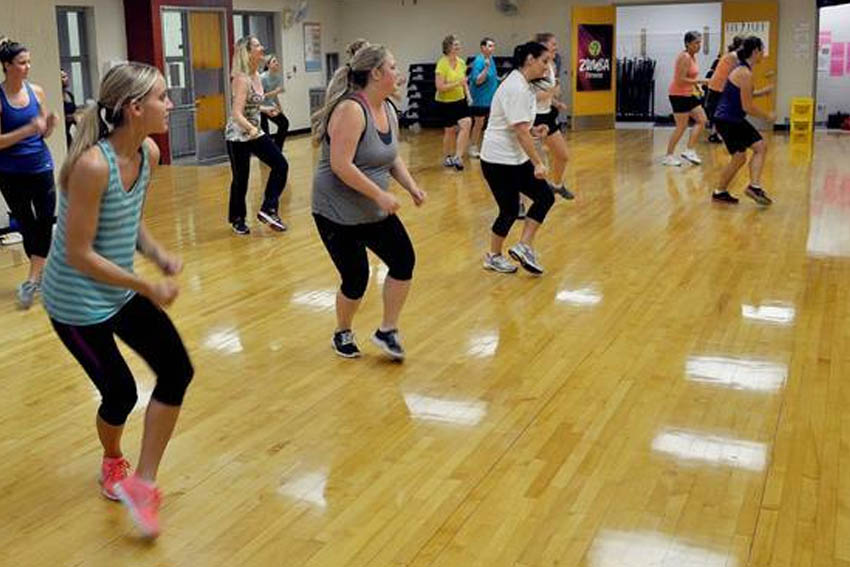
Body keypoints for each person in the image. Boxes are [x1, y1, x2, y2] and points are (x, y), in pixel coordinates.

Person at [40, 62, 194, 539]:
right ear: (134, 107)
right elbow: (79, 253)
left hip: (117, 289)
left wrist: (156, 253)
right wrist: (147, 286)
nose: (169, 105)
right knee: (121, 393)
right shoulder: (92, 166)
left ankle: (143, 484)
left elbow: (129, 220)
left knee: (176, 370)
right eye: (162, 97)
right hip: (75, 305)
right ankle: (112, 460)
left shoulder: (148, 153)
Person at [311, 44, 426, 360]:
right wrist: (380, 194)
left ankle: (387, 330)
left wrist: (412, 187)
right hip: (337, 212)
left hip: (374, 211)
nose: (398, 72)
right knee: (356, 278)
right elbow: (341, 165)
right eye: (393, 66)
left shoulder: (387, 108)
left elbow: (391, 156)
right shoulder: (351, 110)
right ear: (376, 73)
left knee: (403, 261)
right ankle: (342, 332)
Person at [480, 42, 555, 275]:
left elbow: (520, 126)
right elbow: (520, 132)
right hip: (498, 161)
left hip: (514, 158)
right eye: (544, 61)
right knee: (510, 209)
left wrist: (534, 130)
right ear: (530, 59)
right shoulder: (516, 87)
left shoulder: (524, 84)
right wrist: (538, 163)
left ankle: (523, 246)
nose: (547, 66)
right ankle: (493, 256)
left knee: (544, 197)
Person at [0, 36, 58, 309]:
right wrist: (26, 130)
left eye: (29, 62)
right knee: (26, 224)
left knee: (45, 221)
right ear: (7, 65)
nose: (28, 67)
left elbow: (43, 131)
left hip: (40, 166)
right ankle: (39, 276)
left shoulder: (37, 91)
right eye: (22, 63)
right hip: (10, 171)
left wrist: (50, 125)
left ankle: (33, 279)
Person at [225, 36, 289, 235]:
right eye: (257, 45)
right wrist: (251, 129)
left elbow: (251, 105)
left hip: (254, 131)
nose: (262, 48)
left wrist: (265, 109)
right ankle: (237, 219)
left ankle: (268, 208)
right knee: (241, 179)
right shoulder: (241, 79)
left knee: (280, 164)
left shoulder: (256, 76)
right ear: (247, 52)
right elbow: (236, 113)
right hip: (238, 135)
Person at [710, 36, 775, 206]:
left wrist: (762, 92)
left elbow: (743, 96)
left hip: (732, 119)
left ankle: (748, 188)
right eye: (762, 49)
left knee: (757, 148)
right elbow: (747, 106)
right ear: (755, 51)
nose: (763, 53)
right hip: (728, 120)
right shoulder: (744, 73)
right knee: (743, 155)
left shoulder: (744, 70)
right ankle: (726, 191)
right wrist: (767, 116)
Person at [532, 32, 573, 200]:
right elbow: (533, 96)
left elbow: (548, 93)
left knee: (563, 156)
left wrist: (556, 103)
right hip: (533, 118)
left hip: (547, 116)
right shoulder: (535, 67)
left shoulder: (551, 66)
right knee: (533, 164)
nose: (556, 47)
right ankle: (520, 201)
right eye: (553, 44)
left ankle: (557, 185)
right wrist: (552, 92)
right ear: (543, 46)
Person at [662, 31, 708, 167]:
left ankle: (689, 150)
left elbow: (691, 76)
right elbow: (680, 80)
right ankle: (668, 156)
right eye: (696, 43)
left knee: (702, 120)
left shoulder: (692, 57)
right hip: (678, 95)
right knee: (681, 126)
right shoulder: (685, 57)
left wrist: (697, 87)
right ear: (688, 43)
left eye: (700, 42)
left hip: (689, 94)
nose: (699, 45)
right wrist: (701, 81)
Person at [434, 34, 472, 171]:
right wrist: (457, 84)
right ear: (448, 47)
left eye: (458, 44)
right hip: (445, 102)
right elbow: (440, 87)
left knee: (466, 123)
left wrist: (468, 95)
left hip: (460, 100)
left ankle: (458, 157)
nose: (458, 47)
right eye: (456, 44)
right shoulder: (442, 64)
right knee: (449, 130)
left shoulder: (461, 63)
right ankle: (447, 157)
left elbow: (464, 81)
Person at [468, 37, 498, 159]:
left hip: (491, 98)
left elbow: (493, 77)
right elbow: (478, 80)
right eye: (489, 46)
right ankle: (473, 147)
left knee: (490, 124)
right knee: (479, 123)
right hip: (480, 99)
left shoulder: (491, 59)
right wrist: (485, 68)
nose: (492, 48)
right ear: (483, 47)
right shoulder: (479, 61)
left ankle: (488, 148)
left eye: (493, 46)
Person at [259, 54, 289, 150]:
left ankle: (277, 149)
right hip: (260, 108)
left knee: (284, 123)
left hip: (270, 106)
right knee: (265, 132)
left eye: (277, 61)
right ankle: (268, 153)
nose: (277, 63)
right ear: (268, 65)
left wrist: (280, 108)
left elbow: (274, 96)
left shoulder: (278, 77)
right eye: (274, 61)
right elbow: (259, 97)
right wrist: (275, 92)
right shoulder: (262, 78)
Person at [61, 68, 77, 148]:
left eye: (66, 76)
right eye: (63, 77)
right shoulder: (58, 96)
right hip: (62, 132)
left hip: (69, 131)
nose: (66, 79)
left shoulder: (70, 95)